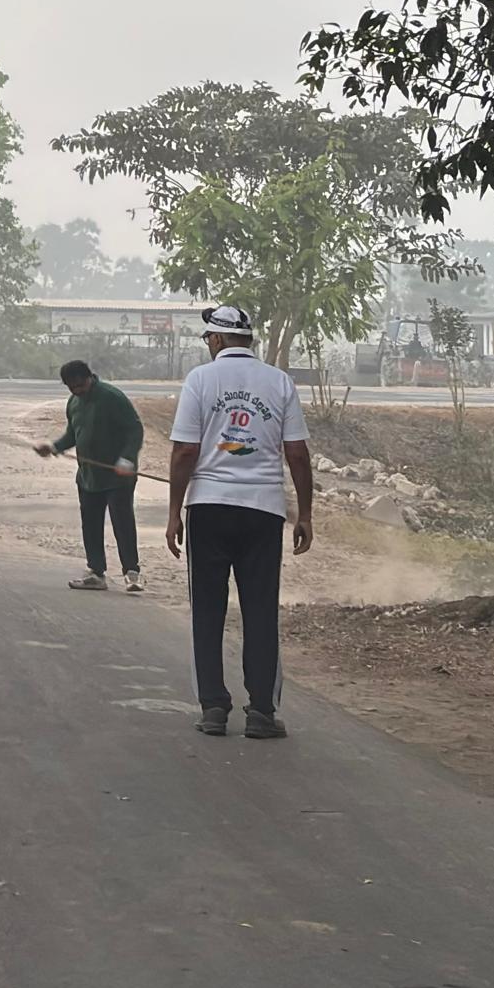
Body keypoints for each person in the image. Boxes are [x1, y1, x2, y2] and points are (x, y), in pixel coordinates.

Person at [163, 305, 312, 738]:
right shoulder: (279, 381)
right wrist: (305, 513)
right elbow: (297, 453)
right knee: (260, 610)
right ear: (248, 340)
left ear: (215, 339)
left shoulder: (200, 380)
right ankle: (261, 711)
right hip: (264, 510)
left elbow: (185, 452)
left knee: (207, 611)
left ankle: (213, 707)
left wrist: (174, 512)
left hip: (209, 509)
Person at [37, 359, 149, 592]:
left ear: (89, 378)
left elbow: (135, 429)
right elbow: (73, 434)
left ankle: (132, 572)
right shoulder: (73, 402)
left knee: (123, 523)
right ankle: (96, 572)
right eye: (72, 387)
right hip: (88, 476)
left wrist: (127, 458)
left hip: (118, 477)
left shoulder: (111, 397)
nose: (77, 390)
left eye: (80, 385)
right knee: (90, 524)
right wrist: (54, 447)